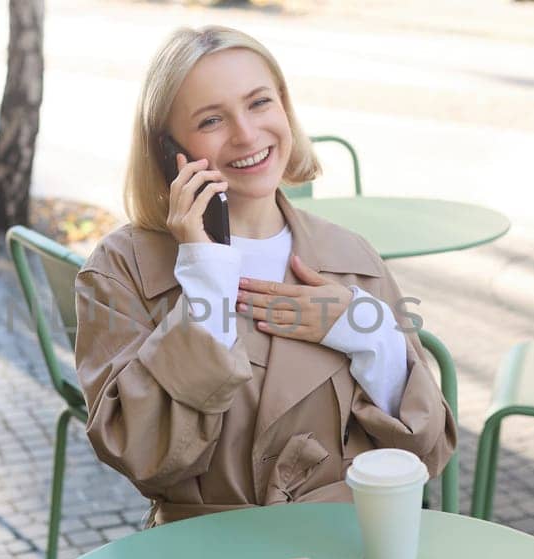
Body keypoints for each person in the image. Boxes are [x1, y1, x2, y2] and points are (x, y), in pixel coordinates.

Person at [74, 25, 455, 526]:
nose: (248, 134)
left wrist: (373, 336)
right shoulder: (122, 268)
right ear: (169, 149)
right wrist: (206, 281)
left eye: (259, 103)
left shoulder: (351, 257)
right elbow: (142, 457)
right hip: (203, 554)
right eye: (212, 119)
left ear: (285, 109)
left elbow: (423, 454)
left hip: (343, 540)